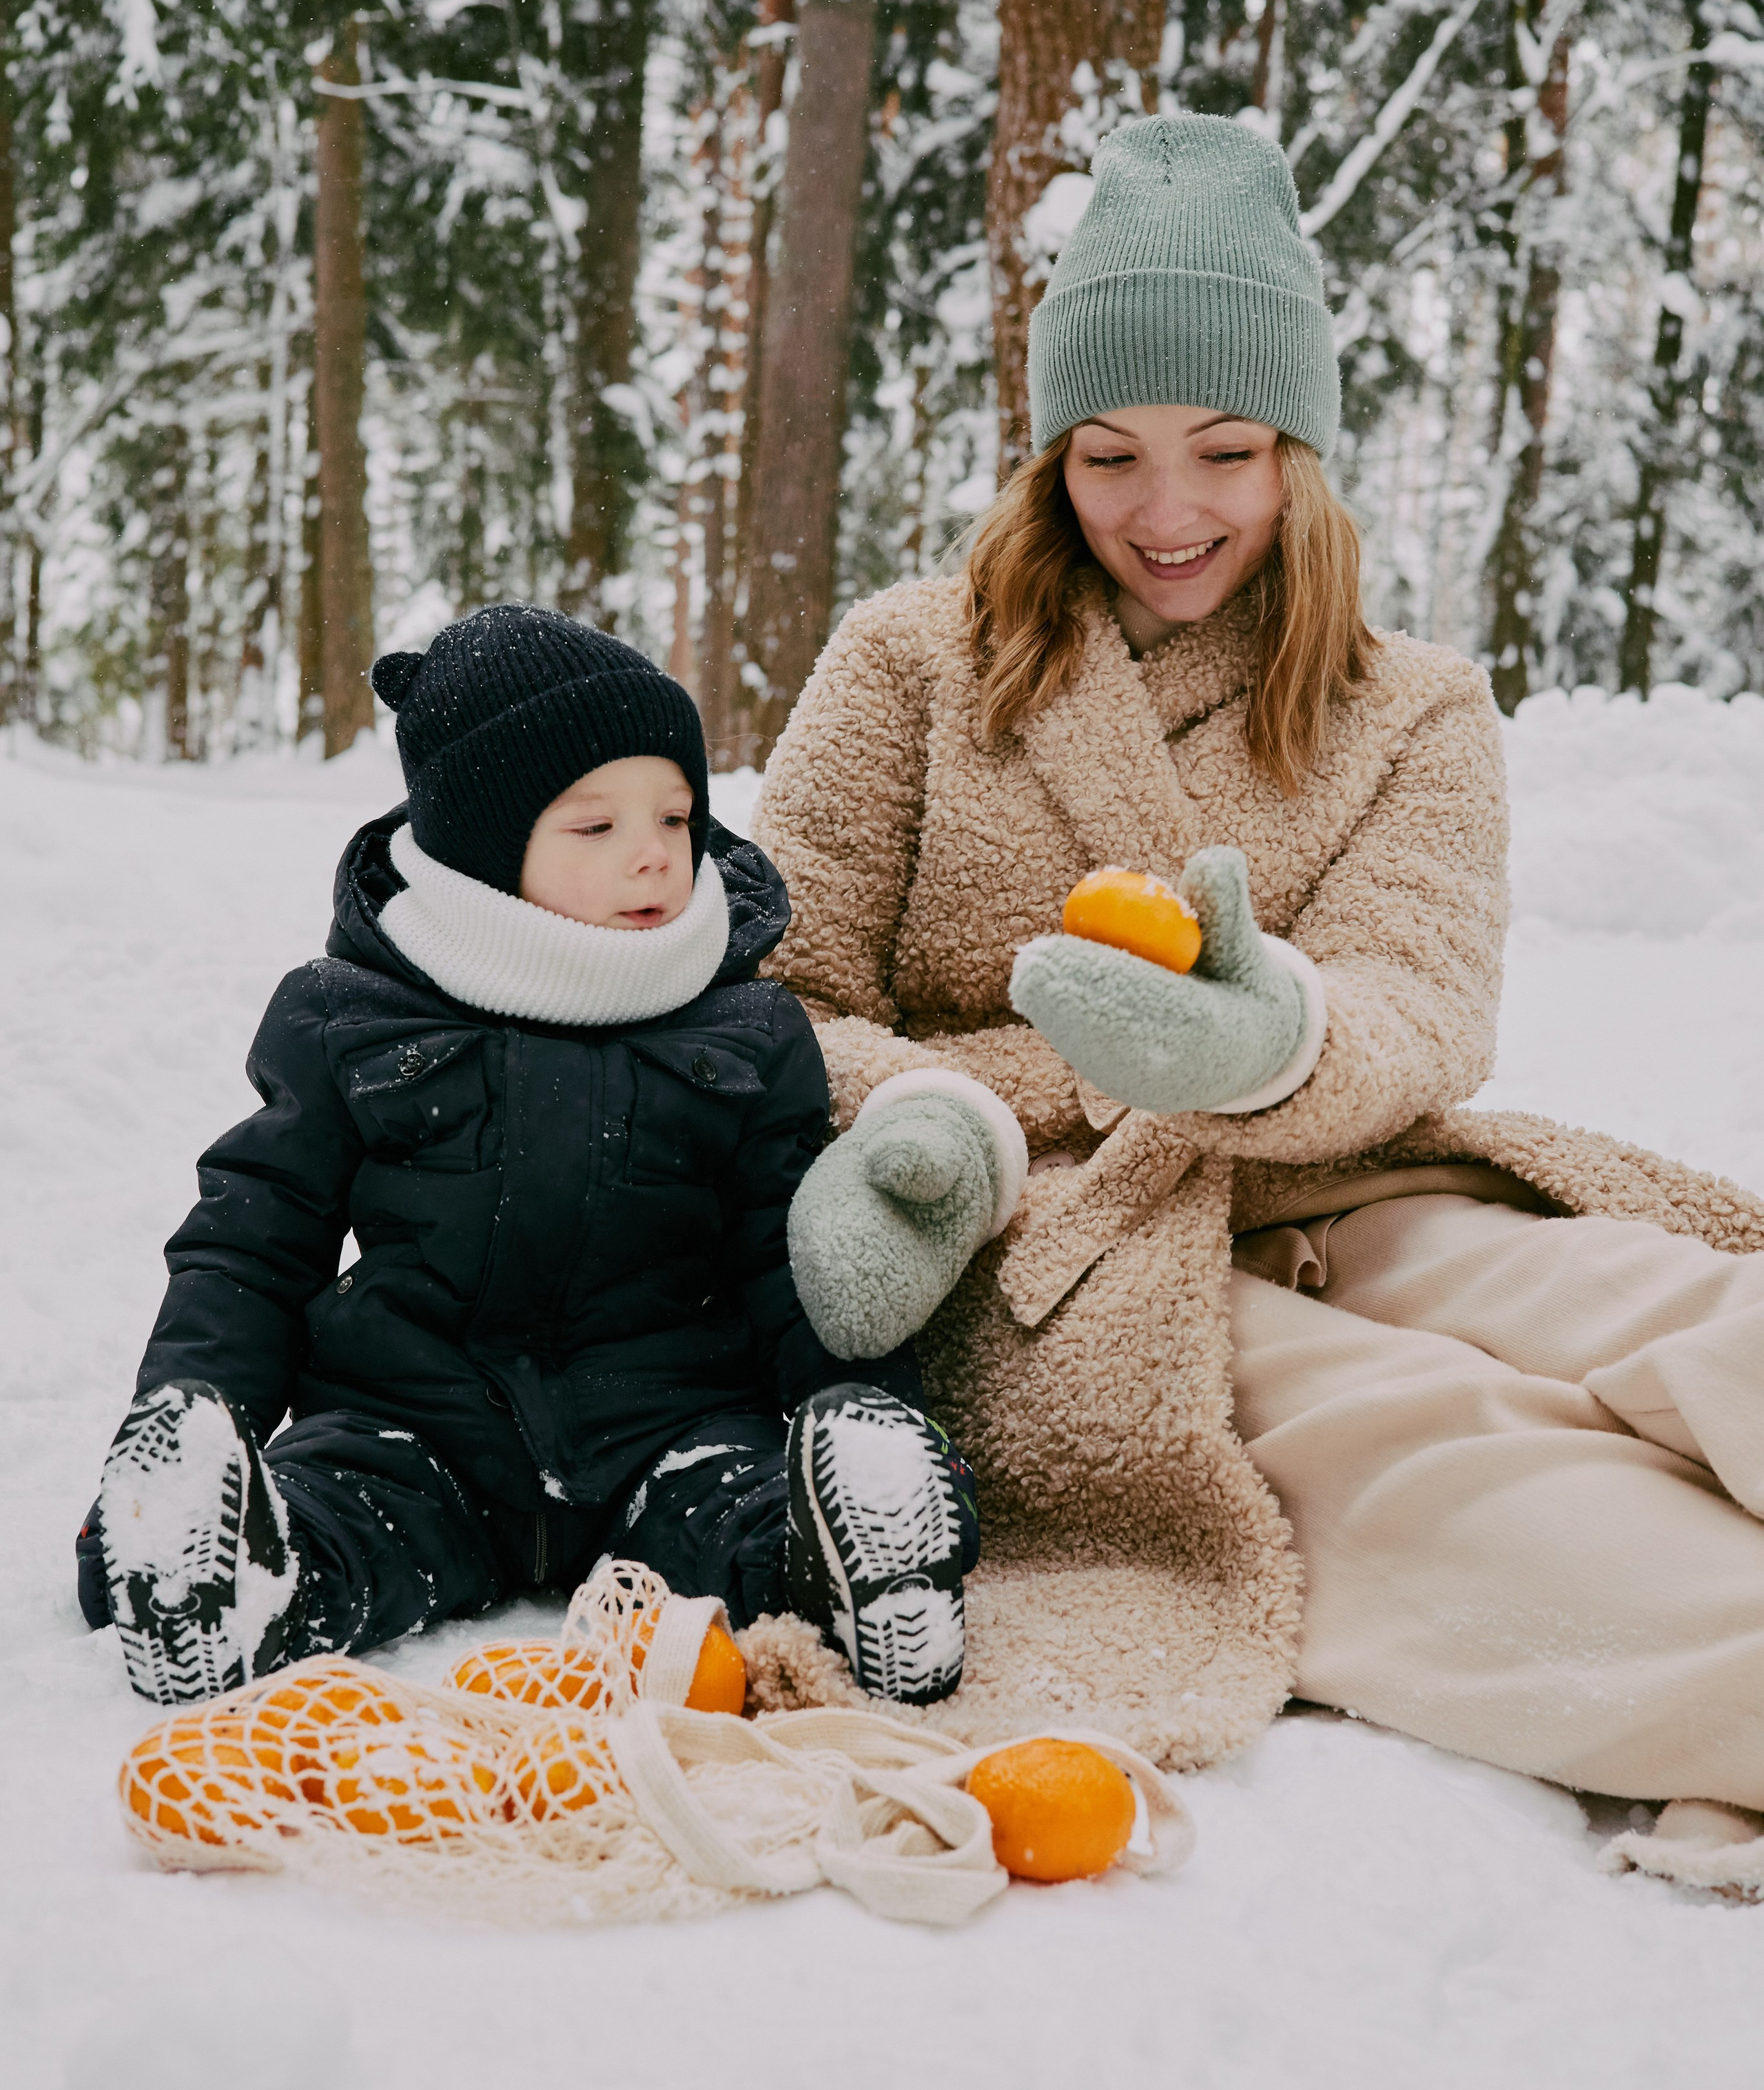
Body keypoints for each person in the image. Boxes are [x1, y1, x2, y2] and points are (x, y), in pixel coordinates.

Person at [760, 111, 1764, 1872]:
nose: (1166, 514)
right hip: (1046, 1238)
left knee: (1662, 1305)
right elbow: (774, 1003)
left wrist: (1270, 1037)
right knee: (1449, 1469)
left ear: (1296, 447)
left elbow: (1417, 996)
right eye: (1108, 457)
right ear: (1049, 456)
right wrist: (954, 1114)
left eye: (1222, 452)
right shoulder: (909, 664)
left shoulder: (1409, 705)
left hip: (1335, 1168)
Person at [77, 607, 983, 1711]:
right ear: (483, 847)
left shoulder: (744, 1028)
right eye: (595, 826)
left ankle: (863, 1575)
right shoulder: (351, 1019)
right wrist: (183, 1420)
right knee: (341, 1523)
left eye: (676, 815)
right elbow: (252, 1249)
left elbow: (796, 1262)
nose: (654, 853)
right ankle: (222, 1583)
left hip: (668, 1427)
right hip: (416, 1424)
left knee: (737, 1522)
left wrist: (870, 1415)